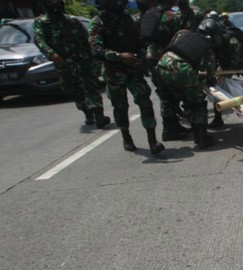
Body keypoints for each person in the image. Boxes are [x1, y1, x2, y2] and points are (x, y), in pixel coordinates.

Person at [90, 0, 165, 156]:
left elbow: (140, 41)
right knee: (120, 107)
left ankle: (153, 141)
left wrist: (142, 57)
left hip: (133, 70)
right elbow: (96, 49)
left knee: (145, 102)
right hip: (113, 72)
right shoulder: (98, 22)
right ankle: (126, 136)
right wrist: (119, 56)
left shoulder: (128, 19)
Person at [33, 0, 111, 128]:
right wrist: (51, 54)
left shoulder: (71, 21)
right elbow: (39, 39)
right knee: (72, 90)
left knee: (90, 86)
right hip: (64, 64)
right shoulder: (41, 22)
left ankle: (99, 116)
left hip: (82, 61)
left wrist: (93, 57)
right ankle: (86, 110)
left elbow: (86, 39)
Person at [155, 18, 220, 149]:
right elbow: (210, 69)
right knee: (197, 102)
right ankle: (201, 138)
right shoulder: (207, 46)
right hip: (181, 68)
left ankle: (169, 131)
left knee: (168, 99)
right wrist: (210, 80)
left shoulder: (184, 34)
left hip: (162, 64)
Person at [142, 0, 188, 141]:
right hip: (166, 59)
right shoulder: (171, 16)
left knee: (164, 93)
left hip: (151, 58)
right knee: (170, 95)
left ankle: (173, 126)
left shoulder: (146, 15)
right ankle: (169, 130)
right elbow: (179, 38)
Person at [209, 20, 243, 128]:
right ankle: (218, 118)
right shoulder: (212, 40)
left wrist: (225, 70)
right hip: (226, 64)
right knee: (218, 88)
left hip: (242, 62)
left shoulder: (231, 39)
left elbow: (235, 58)